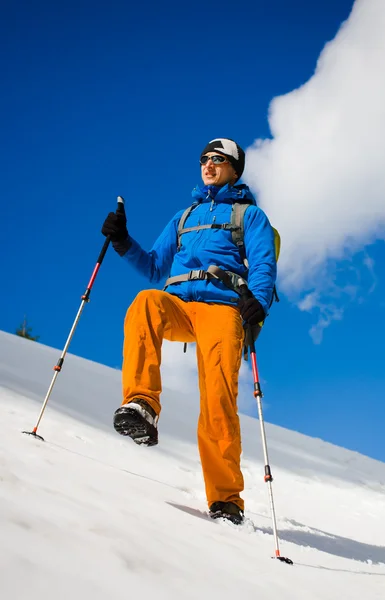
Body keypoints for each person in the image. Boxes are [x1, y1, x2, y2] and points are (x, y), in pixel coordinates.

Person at [101, 138, 277, 525]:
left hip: (223, 309)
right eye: (204, 159)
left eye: (218, 159)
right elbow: (153, 267)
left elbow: (263, 263)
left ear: (234, 168)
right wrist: (122, 241)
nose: (209, 165)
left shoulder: (249, 216)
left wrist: (258, 302)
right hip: (179, 304)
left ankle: (225, 498)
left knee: (218, 397)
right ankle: (143, 404)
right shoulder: (183, 217)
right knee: (146, 301)